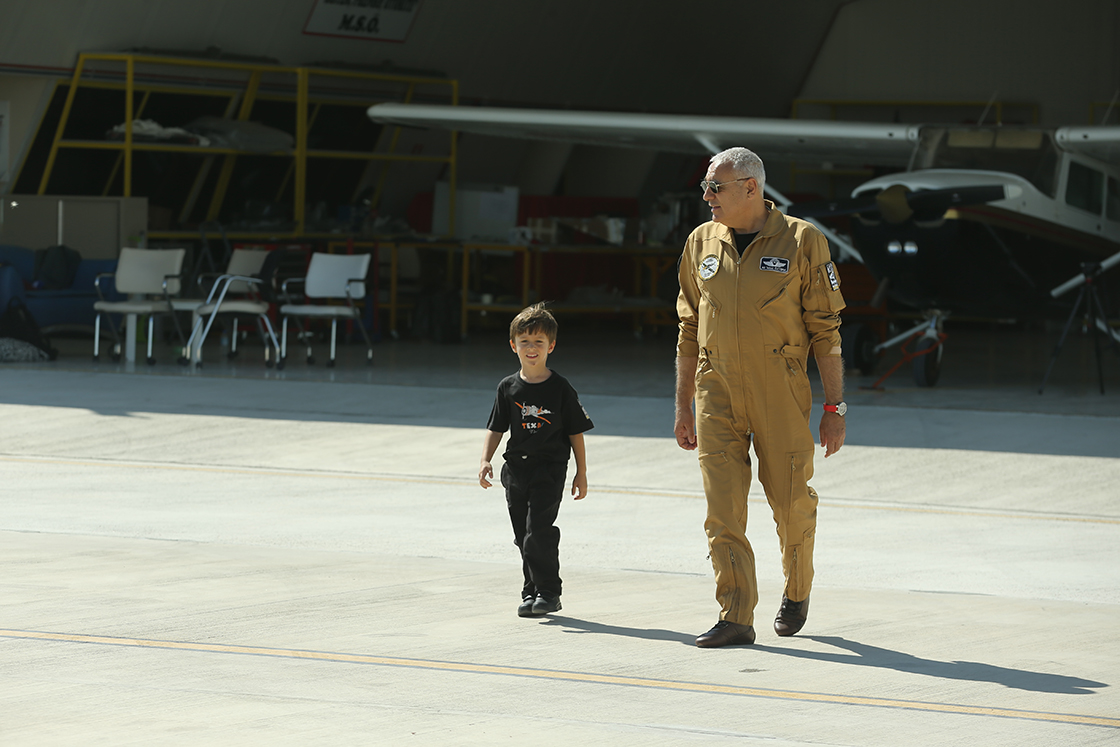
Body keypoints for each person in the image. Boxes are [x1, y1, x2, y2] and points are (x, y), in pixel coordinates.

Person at [675, 147, 847, 648]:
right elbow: (688, 328)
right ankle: (735, 614)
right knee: (722, 510)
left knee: (792, 503)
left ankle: (797, 590)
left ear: (750, 187)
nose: (707, 197)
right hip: (716, 390)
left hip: (780, 389)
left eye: (715, 187)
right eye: (705, 187)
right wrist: (683, 405)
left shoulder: (802, 240)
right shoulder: (700, 242)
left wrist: (835, 408)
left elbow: (826, 330)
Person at [479, 302, 593, 618]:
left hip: (549, 469)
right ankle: (531, 591)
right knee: (522, 536)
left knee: (538, 532)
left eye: (539, 342)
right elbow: (496, 428)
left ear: (551, 346)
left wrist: (581, 472)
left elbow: (575, 433)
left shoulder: (560, 388)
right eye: (525, 341)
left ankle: (549, 592)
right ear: (513, 345)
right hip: (516, 470)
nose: (532, 348)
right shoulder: (507, 387)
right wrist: (485, 460)